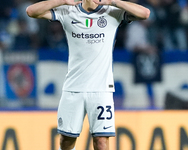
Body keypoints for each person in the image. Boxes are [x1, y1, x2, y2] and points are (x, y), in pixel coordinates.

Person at [26, 0, 150, 149]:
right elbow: (31, 11)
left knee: (101, 141)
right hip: (73, 88)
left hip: (101, 90)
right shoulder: (68, 11)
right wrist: (63, 1)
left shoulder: (112, 12)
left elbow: (145, 14)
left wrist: (113, 2)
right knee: (66, 140)